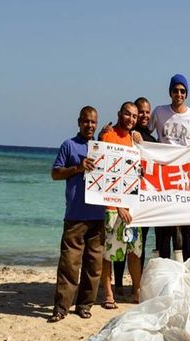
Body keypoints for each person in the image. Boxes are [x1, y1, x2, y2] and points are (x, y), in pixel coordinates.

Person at [48, 106, 105, 322]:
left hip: (98, 216)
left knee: (94, 266)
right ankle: (61, 308)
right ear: (79, 122)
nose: (90, 125)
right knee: (69, 264)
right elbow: (55, 173)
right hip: (75, 215)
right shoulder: (68, 145)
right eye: (86, 121)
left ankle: (84, 305)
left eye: (93, 122)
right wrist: (77, 168)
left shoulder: (102, 147)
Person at [149, 74, 190, 260]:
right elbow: (146, 134)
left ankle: (188, 267)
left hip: (184, 177)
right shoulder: (159, 112)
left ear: (187, 94)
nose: (179, 94)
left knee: (186, 226)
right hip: (162, 175)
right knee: (164, 225)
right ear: (170, 92)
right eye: (176, 90)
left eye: (183, 91)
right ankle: (164, 265)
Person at [99, 102, 142, 308]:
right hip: (112, 208)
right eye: (128, 114)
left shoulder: (134, 141)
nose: (131, 119)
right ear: (119, 114)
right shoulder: (108, 136)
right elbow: (105, 176)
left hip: (132, 207)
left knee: (134, 251)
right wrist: (119, 207)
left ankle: (137, 290)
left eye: (134, 116)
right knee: (109, 252)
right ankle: (108, 293)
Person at [113, 96, 155, 294]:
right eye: (141, 112)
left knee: (138, 245)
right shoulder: (123, 135)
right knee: (119, 243)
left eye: (147, 112)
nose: (144, 115)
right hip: (121, 200)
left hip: (142, 202)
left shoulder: (151, 140)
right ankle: (119, 283)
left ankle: (136, 286)